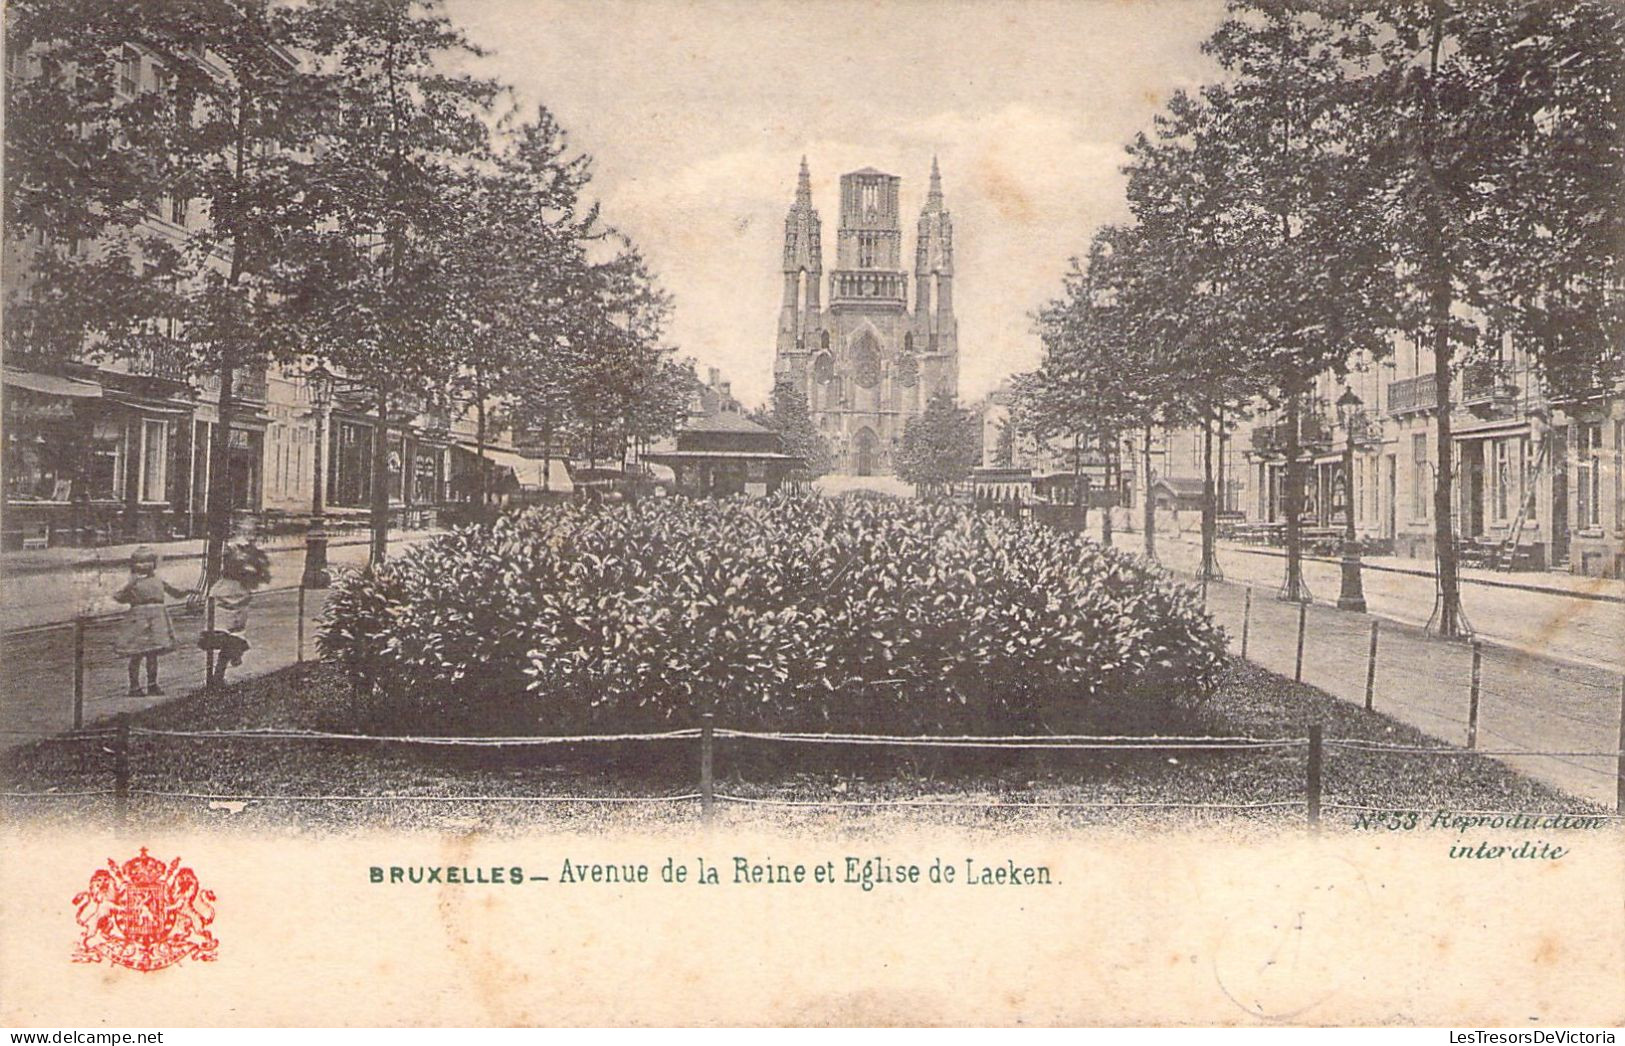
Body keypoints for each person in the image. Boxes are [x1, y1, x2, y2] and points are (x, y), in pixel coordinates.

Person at [112, 547, 189, 697]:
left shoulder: (158, 580)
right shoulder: (133, 583)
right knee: (136, 653)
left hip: (157, 619)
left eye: (148, 561)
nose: (144, 566)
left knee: (152, 654)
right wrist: (130, 586)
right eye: (140, 562)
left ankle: (152, 685)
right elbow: (119, 597)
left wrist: (187, 592)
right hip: (139, 619)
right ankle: (134, 687)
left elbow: (174, 592)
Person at [199, 542, 269, 686]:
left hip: (235, 610)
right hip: (224, 612)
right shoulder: (222, 585)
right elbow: (217, 601)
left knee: (234, 638)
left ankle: (219, 674)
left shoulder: (239, 583)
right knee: (227, 638)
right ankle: (219, 673)